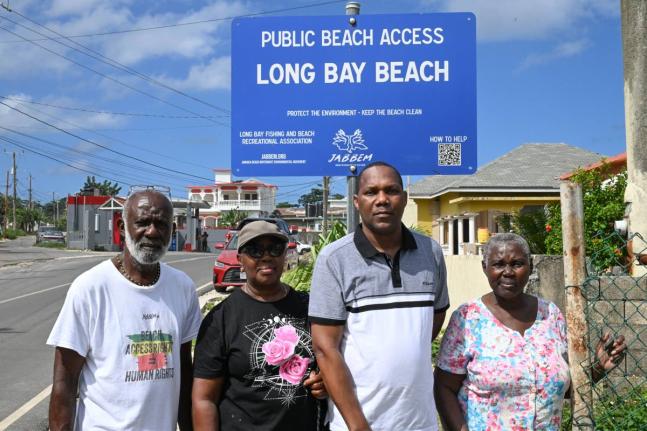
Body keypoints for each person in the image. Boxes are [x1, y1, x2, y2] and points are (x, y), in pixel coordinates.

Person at [434, 232, 627, 431]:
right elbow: (444, 387)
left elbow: (556, 388)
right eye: (498, 264)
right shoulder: (468, 319)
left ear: (531, 266)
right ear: (485, 268)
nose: (508, 272)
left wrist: (598, 368)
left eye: (517, 264)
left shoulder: (550, 315)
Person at [308, 161, 449, 431]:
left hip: (421, 422)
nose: (382, 200)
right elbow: (325, 349)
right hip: (357, 423)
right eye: (371, 192)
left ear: (404, 199)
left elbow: (432, 320)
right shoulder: (335, 259)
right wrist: (358, 426)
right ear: (357, 202)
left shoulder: (430, 252)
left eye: (391, 191)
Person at [47, 190, 202, 430]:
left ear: (172, 230)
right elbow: (64, 384)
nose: (152, 232)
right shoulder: (90, 288)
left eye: (161, 224)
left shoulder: (182, 288)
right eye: (142, 222)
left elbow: (183, 377)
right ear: (121, 226)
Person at [192, 220, 327, 430]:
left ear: (285, 255)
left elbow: (331, 361)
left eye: (275, 249)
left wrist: (324, 381)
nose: (266, 257)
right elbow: (204, 399)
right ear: (240, 260)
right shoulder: (221, 319)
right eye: (255, 250)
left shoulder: (309, 307)